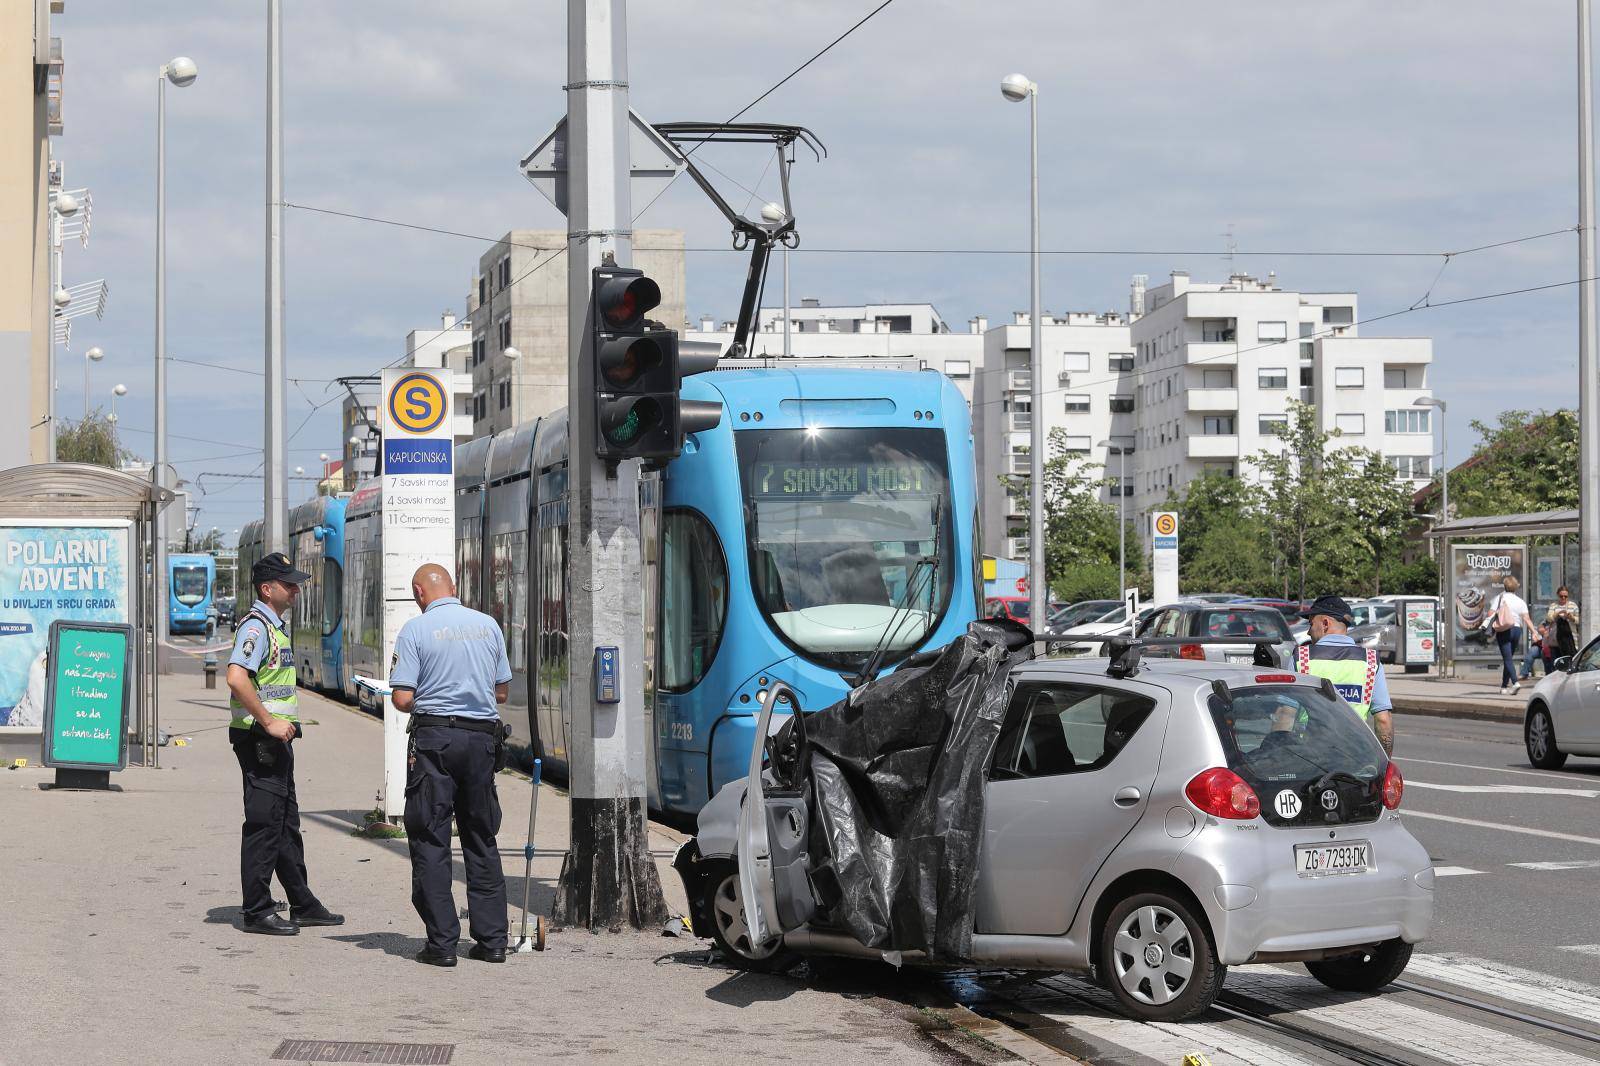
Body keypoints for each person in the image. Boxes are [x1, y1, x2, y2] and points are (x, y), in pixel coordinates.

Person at [389, 563, 513, 968]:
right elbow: (502, 691)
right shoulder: (488, 626)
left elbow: (402, 698)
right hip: (481, 743)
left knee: (430, 836)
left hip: (435, 743)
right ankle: (493, 941)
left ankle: (442, 944)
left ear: (418, 592)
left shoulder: (415, 630)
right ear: (454, 588)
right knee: (481, 836)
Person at [226, 552, 344, 936]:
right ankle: (256, 910)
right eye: (288, 584)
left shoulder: (274, 627)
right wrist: (268, 721)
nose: (296, 590)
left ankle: (302, 902)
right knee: (264, 824)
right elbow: (236, 678)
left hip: (275, 740)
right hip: (260, 738)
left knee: (285, 822)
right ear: (267, 588)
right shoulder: (257, 628)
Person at [1295, 595, 1394, 756]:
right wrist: (1385, 762)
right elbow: (1383, 720)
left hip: (1311, 756)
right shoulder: (1370, 661)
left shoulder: (1301, 658)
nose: (1308, 631)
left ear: (1325, 623)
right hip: (1355, 757)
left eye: (1311, 624)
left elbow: (1287, 714)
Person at [1481, 575, 1536, 695]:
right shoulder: (1520, 601)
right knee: (1509, 658)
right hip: (1517, 630)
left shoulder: (1500, 598)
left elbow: (1490, 613)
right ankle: (1504, 686)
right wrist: (1534, 632)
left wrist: (1495, 613)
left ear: (1505, 586)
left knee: (1507, 659)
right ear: (1515, 587)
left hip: (1504, 629)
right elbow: (1526, 618)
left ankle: (1515, 683)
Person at [1546, 586, 1581, 665]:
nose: (1563, 598)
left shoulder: (1573, 605)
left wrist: (1571, 617)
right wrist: (1557, 614)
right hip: (1556, 640)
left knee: (1570, 663)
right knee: (1556, 664)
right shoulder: (1553, 605)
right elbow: (1548, 618)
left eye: (1565, 596)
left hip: (1570, 639)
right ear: (1558, 595)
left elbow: (1579, 621)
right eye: (1561, 596)